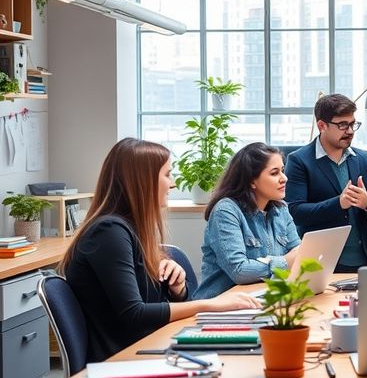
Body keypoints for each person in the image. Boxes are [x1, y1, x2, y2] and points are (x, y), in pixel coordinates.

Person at [59, 138, 260, 363]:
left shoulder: (128, 230)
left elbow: (151, 304)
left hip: (150, 346)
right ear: (142, 181)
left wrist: (177, 288)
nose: (173, 184)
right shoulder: (109, 232)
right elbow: (135, 314)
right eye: (167, 174)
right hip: (125, 360)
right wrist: (211, 305)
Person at [285, 94, 367, 273]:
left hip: (362, 260)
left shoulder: (362, 158)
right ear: (321, 126)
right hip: (319, 262)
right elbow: (295, 213)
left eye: (352, 124)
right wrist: (338, 204)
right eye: (342, 125)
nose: (350, 131)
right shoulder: (299, 161)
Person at [195, 143, 302, 299]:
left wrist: (285, 261)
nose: (284, 178)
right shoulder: (226, 211)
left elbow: (299, 254)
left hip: (262, 299)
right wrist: (284, 262)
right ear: (252, 181)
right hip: (220, 307)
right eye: (274, 173)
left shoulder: (281, 209)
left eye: (283, 171)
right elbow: (239, 271)